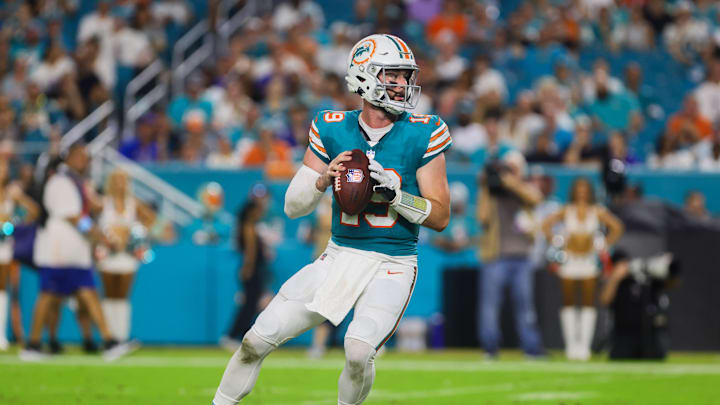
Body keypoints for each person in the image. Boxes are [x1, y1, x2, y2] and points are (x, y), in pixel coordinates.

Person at [213, 34, 451, 405]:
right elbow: (294, 206)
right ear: (365, 77)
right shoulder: (331, 126)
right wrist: (323, 180)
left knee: (358, 350)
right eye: (393, 75)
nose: (403, 85)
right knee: (255, 339)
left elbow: (439, 217)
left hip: (392, 263)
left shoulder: (425, 131)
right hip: (338, 256)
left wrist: (396, 195)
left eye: (406, 76)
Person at [21, 143, 132, 361]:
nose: (84, 160)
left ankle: (109, 341)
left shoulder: (74, 181)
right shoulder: (62, 181)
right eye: (80, 155)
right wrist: (98, 234)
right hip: (59, 250)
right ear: (68, 157)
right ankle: (33, 344)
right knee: (50, 296)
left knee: (85, 292)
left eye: (86, 156)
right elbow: (73, 216)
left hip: (72, 251)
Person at [542, 178, 624, 360]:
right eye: (578, 189)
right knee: (569, 300)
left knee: (588, 301)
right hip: (570, 260)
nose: (581, 193)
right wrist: (558, 243)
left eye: (584, 189)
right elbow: (546, 225)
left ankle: (584, 346)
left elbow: (617, 227)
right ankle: (571, 345)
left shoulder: (597, 211)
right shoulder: (567, 210)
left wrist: (603, 245)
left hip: (588, 260)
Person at [476, 150, 544, 359]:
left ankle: (531, 349)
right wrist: (486, 187)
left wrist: (510, 182)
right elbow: (483, 218)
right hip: (496, 255)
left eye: (514, 169)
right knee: (490, 306)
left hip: (522, 255)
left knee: (525, 306)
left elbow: (536, 199)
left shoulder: (524, 188)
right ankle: (490, 348)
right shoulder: (492, 191)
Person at [98, 169, 155, 345]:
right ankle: (109, 337)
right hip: (108, 254)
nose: (120, 184)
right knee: (109, 293)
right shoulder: (103, 203)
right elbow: (91, 222)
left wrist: (136, 234)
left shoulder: (133, 203)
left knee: (123, 294)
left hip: (127, 255)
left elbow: (151, 218)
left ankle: (122, 335)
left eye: (123, 180)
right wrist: (105, 236)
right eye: (117, 180)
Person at [222, 185, 271, 350]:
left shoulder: (249, 224)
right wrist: (248, 266)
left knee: (251, 303)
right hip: (252, 268)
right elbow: (251, 248)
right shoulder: (249, 224)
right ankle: (232, 335)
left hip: (253, 267)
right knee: (249, 304)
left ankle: (238, 334)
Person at [0, 160, 39, 350]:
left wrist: (15, 225)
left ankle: (1, 335)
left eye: (4, 166)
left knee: (3, 289)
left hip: (4, 246)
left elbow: (33, 211)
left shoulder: (11, 193)